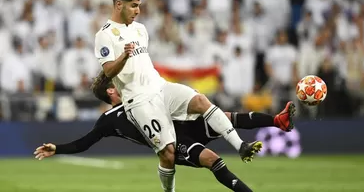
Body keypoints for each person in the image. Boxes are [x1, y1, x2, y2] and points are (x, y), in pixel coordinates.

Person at [94, 0, 258, 191]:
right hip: (138, 100)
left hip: (160, 86)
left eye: (139, 6)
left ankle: (241, 145)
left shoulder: (140, 29)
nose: (138, 10)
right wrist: (124, 56)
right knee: (168, 153)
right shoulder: (104, 35)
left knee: (200, 101)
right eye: (134, 6)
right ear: (118, 5)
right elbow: (108, 72)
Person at [34, 73, 296, 192]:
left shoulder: (141, 93)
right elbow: (84, 143)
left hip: (185, 124)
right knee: (212, 160)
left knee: (223, 116)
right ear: (111, 92)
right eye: (116, 82)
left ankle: (278, 120)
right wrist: (58, 148)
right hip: (174, 142)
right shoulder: (108, 120)